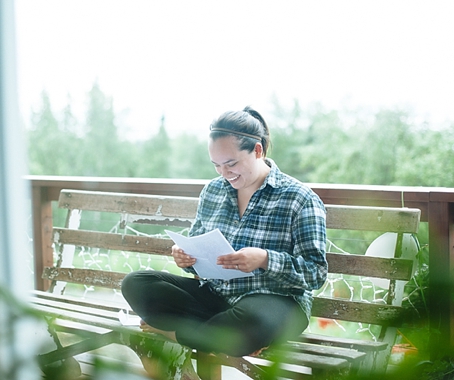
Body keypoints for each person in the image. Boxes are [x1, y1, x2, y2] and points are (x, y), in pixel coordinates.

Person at [121, 106, 327, 357]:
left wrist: (264, 260)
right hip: (217, 297)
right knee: (136, 283)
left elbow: (315, 273)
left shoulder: (300, 198)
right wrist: (186, 259)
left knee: (253, 321)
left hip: (275, 300)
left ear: (257, 150)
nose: (224, 173)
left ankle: (175, 333)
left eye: (231, 163)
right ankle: (226, 338)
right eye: (216, 165)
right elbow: (197, 253)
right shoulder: (213, 191)